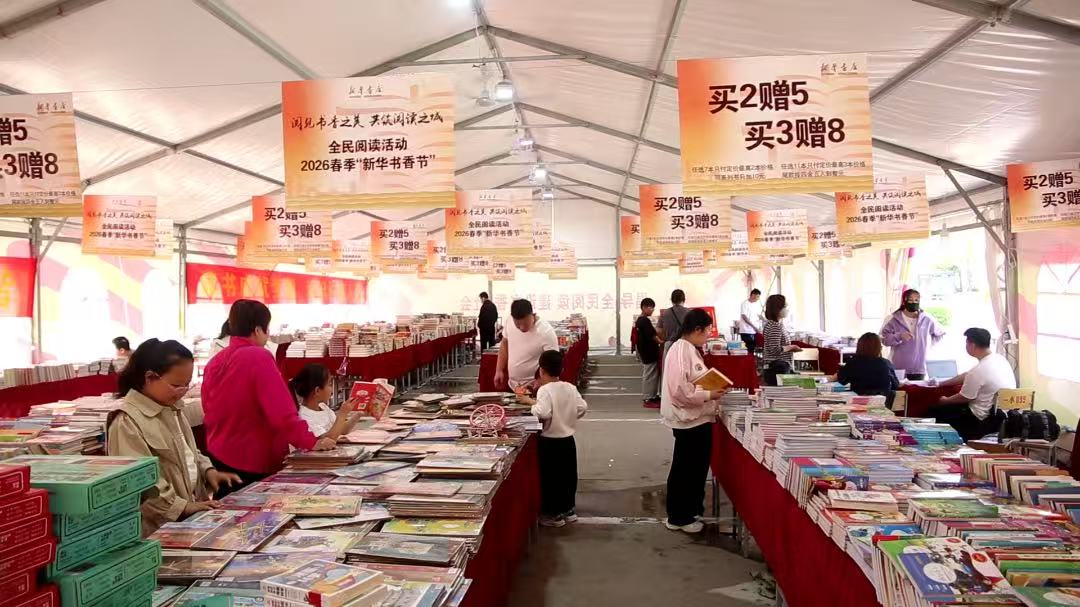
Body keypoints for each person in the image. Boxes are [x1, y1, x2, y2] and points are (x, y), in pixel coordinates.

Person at [106, 339, 241, 536]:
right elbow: (140, 482)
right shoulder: (127, 421)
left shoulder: (171, 408)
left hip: (188, 520)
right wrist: (181, 507)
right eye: (176, 385)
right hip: (157, 528)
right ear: (150, 377)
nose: (182, 392)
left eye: (187, 385)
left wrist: (207, 471)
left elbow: (188, 451)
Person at [202, 299, 336, 494]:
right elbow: (281, 411)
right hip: (253, 455)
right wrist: (310, 441)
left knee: (228, 506)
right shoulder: (259, 356)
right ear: (258, 330)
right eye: (267, 329)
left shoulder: (215, 361)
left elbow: (207, 406)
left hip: (219, 452)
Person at [661, 308, 727, 534]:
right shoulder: (681, 350)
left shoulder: (688, 349)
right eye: (707, 331)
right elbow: (680, 390)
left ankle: (689, 511)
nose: (708, 335)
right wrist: (709, 394)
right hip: (689, 420)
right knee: (687, 469)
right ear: (697, 329)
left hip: (697, 418)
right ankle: (680, 516)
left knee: (694, 468)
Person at [517, 350, 587, 527]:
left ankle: (552, 515)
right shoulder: (570, 387)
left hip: (550, 442)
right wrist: (568, 416)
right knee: (568, 477)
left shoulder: (545, 390)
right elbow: (582, 407)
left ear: (541, 370)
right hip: (568, 440)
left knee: (550, 479)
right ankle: (569, 510)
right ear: (561, 369)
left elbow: (543, 412)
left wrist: (529, 403)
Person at [931, 328, 1016, 440]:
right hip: (1005, 414)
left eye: (966, 343)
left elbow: (965, 397)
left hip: (982, 419)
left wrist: (945, 400)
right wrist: (941, 384)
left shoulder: (978, 370)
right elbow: (967, 375)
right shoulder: (1000, 359)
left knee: (936, 410)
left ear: (972, 345)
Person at [494, 299, 559, 390]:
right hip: (512, 385)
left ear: (532, 315)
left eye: (525, 324)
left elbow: (553, 362)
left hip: (534, 387)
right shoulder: (509, 321)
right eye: (517, 325)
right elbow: (504, 344)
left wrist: (540, 380)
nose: (522, 328)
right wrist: (499, 370)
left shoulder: (546, 331)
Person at [881, 289, 945, 380]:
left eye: (916, 300)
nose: (913, 303)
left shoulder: (927, 319)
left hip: (920, 368)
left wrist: (929, 347)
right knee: (899, 389)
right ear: (904, 301)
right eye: (910, 300)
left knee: (917, 389)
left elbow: (940, 334)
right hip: (898, 368)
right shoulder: (892, 319)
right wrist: (899, 336)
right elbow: (883, 339)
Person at [289, 363, 363, 440]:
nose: (332, 389)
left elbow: (343, 429)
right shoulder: (304, 416)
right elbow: (327, 440)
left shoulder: (323, 407)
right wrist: (342, 414)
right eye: (330, 384)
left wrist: (358, 414)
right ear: (317, 391)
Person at [831, 333, 900, 406]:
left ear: (859, 346)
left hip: (858, 405)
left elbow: (842, 381)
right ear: (879, 347)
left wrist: (837, 375)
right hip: (882, 406)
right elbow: (896, 385)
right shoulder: (886, 363)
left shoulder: (853, 362)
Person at [762, 294, 801, 386]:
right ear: (777, 308)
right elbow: (775, 349)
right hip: (778, 367)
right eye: (785, 306)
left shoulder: (773, 324)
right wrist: (791, 347)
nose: (787, 309)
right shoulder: (775, 326)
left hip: (778, 366)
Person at [635, 298, 662, 408]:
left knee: (653, 374)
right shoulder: (644, 321)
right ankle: (648, 397)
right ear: (644, 307)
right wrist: (661, 342)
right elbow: (652, 336)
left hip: (647, 351)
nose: (652, 310)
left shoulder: (640, 320)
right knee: (650, 374)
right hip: (648, 352)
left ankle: (653, 395)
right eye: (650, 308)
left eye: (653, 308)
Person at [658, 289, 689, 362]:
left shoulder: (665, 313)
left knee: (668, 367)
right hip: (685, 345)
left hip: (669, 345)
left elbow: (658, 330)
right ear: (684, 299)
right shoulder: (689, 312)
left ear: (672, 300)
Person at [738, 289, 764, 355]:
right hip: (746, 331)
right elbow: (744, 317)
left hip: (754, 331)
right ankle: (748, 360)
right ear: (752, 295)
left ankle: (752, 360)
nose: (758, 298)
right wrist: (754, 327)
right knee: (748, 349)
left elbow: (759, 315)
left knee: (753, 348)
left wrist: (765, 320)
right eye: (757, 296)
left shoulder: (756, 305)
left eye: (758, 297)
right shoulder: (744, 304)